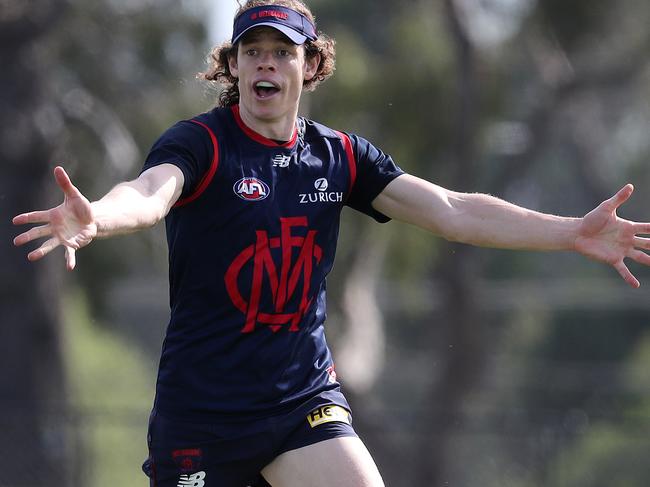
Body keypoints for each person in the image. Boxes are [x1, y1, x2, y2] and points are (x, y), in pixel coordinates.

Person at [12, 1, 650, 486]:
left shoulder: (339, 156)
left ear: (310, 65)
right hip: (202, 415)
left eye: (282, 51)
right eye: (252, 50)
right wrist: (97, 214)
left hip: (301, 401)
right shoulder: (201, 144)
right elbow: (150, 194)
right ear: (232, 66)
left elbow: (452, 210)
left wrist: (570, 232)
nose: (266, 62)